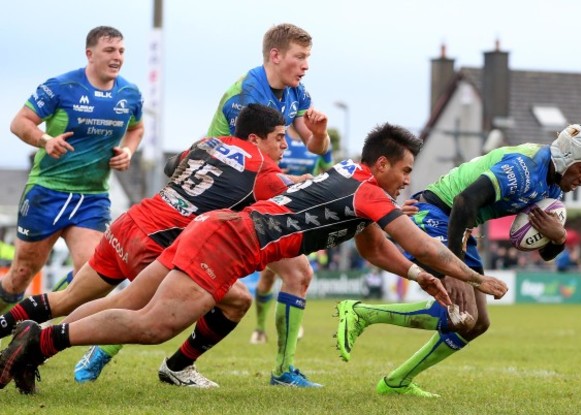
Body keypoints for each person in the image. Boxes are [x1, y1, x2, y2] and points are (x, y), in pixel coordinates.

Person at [0, 123, 508, 395]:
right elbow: (418, 241)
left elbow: (375, 246)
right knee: (151, 325)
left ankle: (35, 343)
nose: (407, 181)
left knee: (131, 305)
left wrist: (420, 276)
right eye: (405, 171)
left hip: (214, 231)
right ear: (382, 165)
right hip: (227, 245)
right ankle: (39, 341)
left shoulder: (351, 177)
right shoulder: (370, 191)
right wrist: (471, 277)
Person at [0, 104, 292, 388]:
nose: (285, 145)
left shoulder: (210, 142)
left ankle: (16, 334)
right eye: (279, 137)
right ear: (254, 138)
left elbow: (170, 166)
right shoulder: (264, 172)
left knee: (67, 298)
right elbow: (301, 198)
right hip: (156, 240)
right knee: (234, 299)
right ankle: (176, 367)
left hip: (130, 222)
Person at [334, 124, 581, 397]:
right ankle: (362, 313)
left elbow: (543, 253)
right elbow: (465, 201)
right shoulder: (525, 167)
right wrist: (452, 267)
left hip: (459, 226)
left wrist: (557, 238)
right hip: (436, 213)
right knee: (463, 316)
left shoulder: (552, 191)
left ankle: (397, 381)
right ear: (567, 158)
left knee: (478, 323)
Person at [206, 23, 331, 386]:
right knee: (166, 286)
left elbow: (316, 148)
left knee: (298, 274)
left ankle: (283, 371)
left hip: (252, 201)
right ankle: (103, 350)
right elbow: (247, 163)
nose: (306, 65)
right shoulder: (247, 96)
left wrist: (320, 132)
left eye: (308, 57)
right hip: (212, 200)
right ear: (275, 56)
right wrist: (294, 185)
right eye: (300, 57)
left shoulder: (295, 93)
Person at [0, 26, 144, 314]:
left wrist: (128, 151)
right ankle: (7, 317)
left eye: (121, 51)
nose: (117, 57)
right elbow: (20, 122)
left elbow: (137, 128)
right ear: (90, 54)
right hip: (48, 191)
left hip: (92, 197)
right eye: (109, 50)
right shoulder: (61, 87)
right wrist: (45, 140)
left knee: (93, 275)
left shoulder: (129, 94)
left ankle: (34, 321)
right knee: (20, 275)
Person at [250, 132, 333, 345]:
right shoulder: (277, 138)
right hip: (273, 217)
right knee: (269, 277)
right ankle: (260, 328)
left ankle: (293, 324)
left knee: (300, 274)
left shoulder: (320, 143)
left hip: (306, 218)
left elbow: (329, 174)